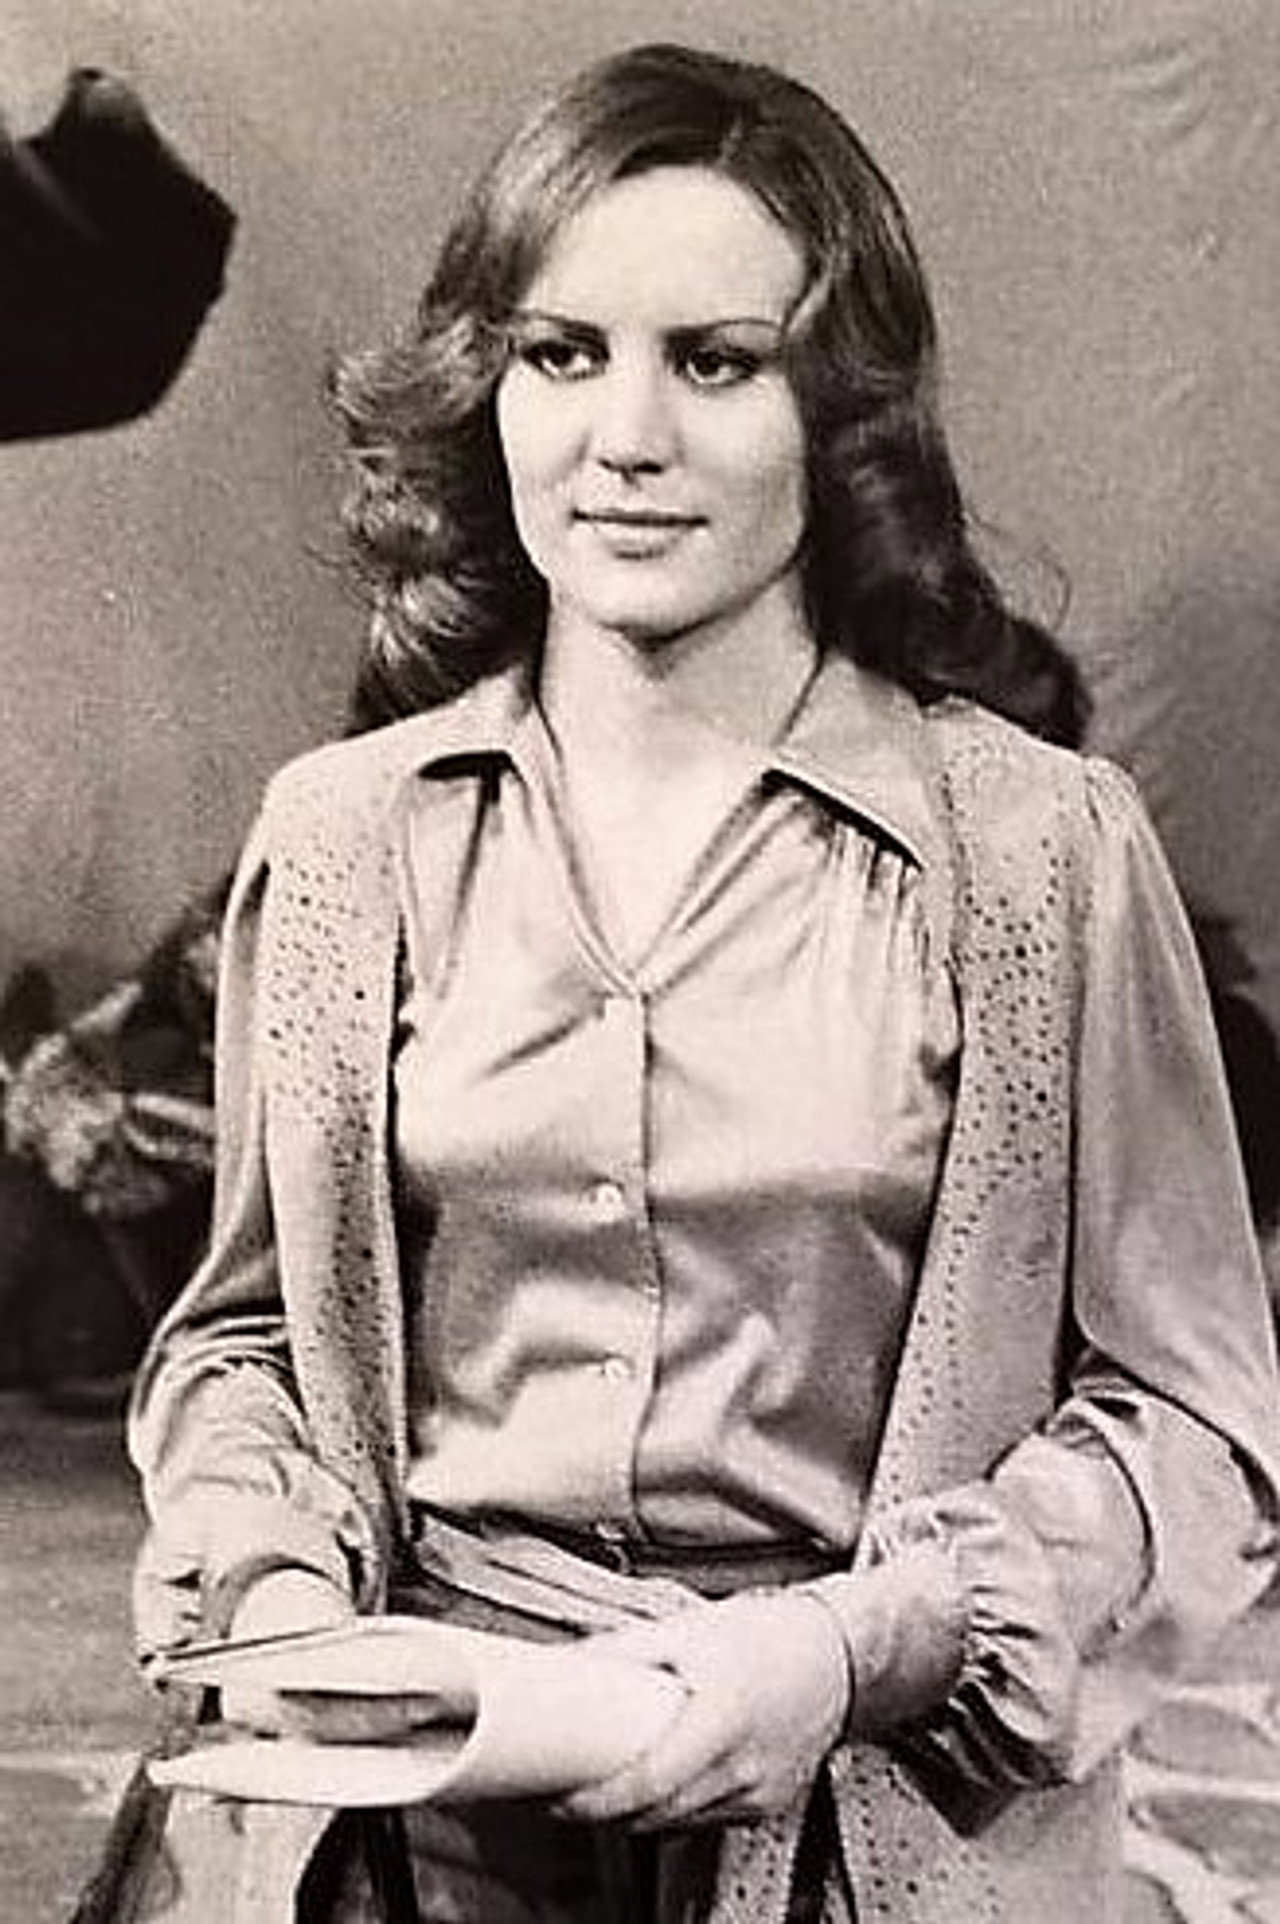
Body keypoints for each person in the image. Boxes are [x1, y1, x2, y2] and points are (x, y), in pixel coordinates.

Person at [128, 42, 1280, 1924]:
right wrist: (274, 1590)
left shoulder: (1039, 854)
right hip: (420, 1833)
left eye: (717, 362)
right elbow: (244, 1340)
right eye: (563, 354)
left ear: (840, 412)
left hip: (859, 1818)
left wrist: (852, 1649)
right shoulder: (344, 837)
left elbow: (1202, 1423)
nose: (626, 436)